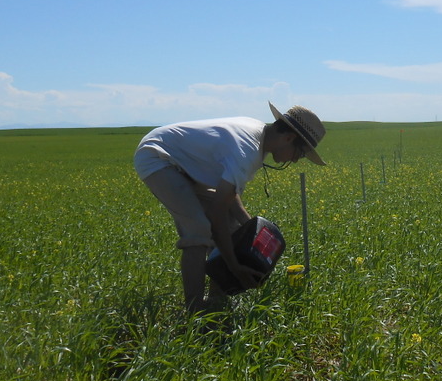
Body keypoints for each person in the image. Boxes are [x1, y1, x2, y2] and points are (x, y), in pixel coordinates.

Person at [134, 103, 325, 314]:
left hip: (186, 164)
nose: (297, 160)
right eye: (300, 153)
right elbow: (217, 213)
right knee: (197, 229)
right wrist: (234, 266)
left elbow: (227, 195)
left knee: (234, 230)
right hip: (158, 156)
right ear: (288, 138)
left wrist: (250, 227)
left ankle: (217, 300)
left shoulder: (258, 139)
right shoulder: (247, 150)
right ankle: (196, 311)